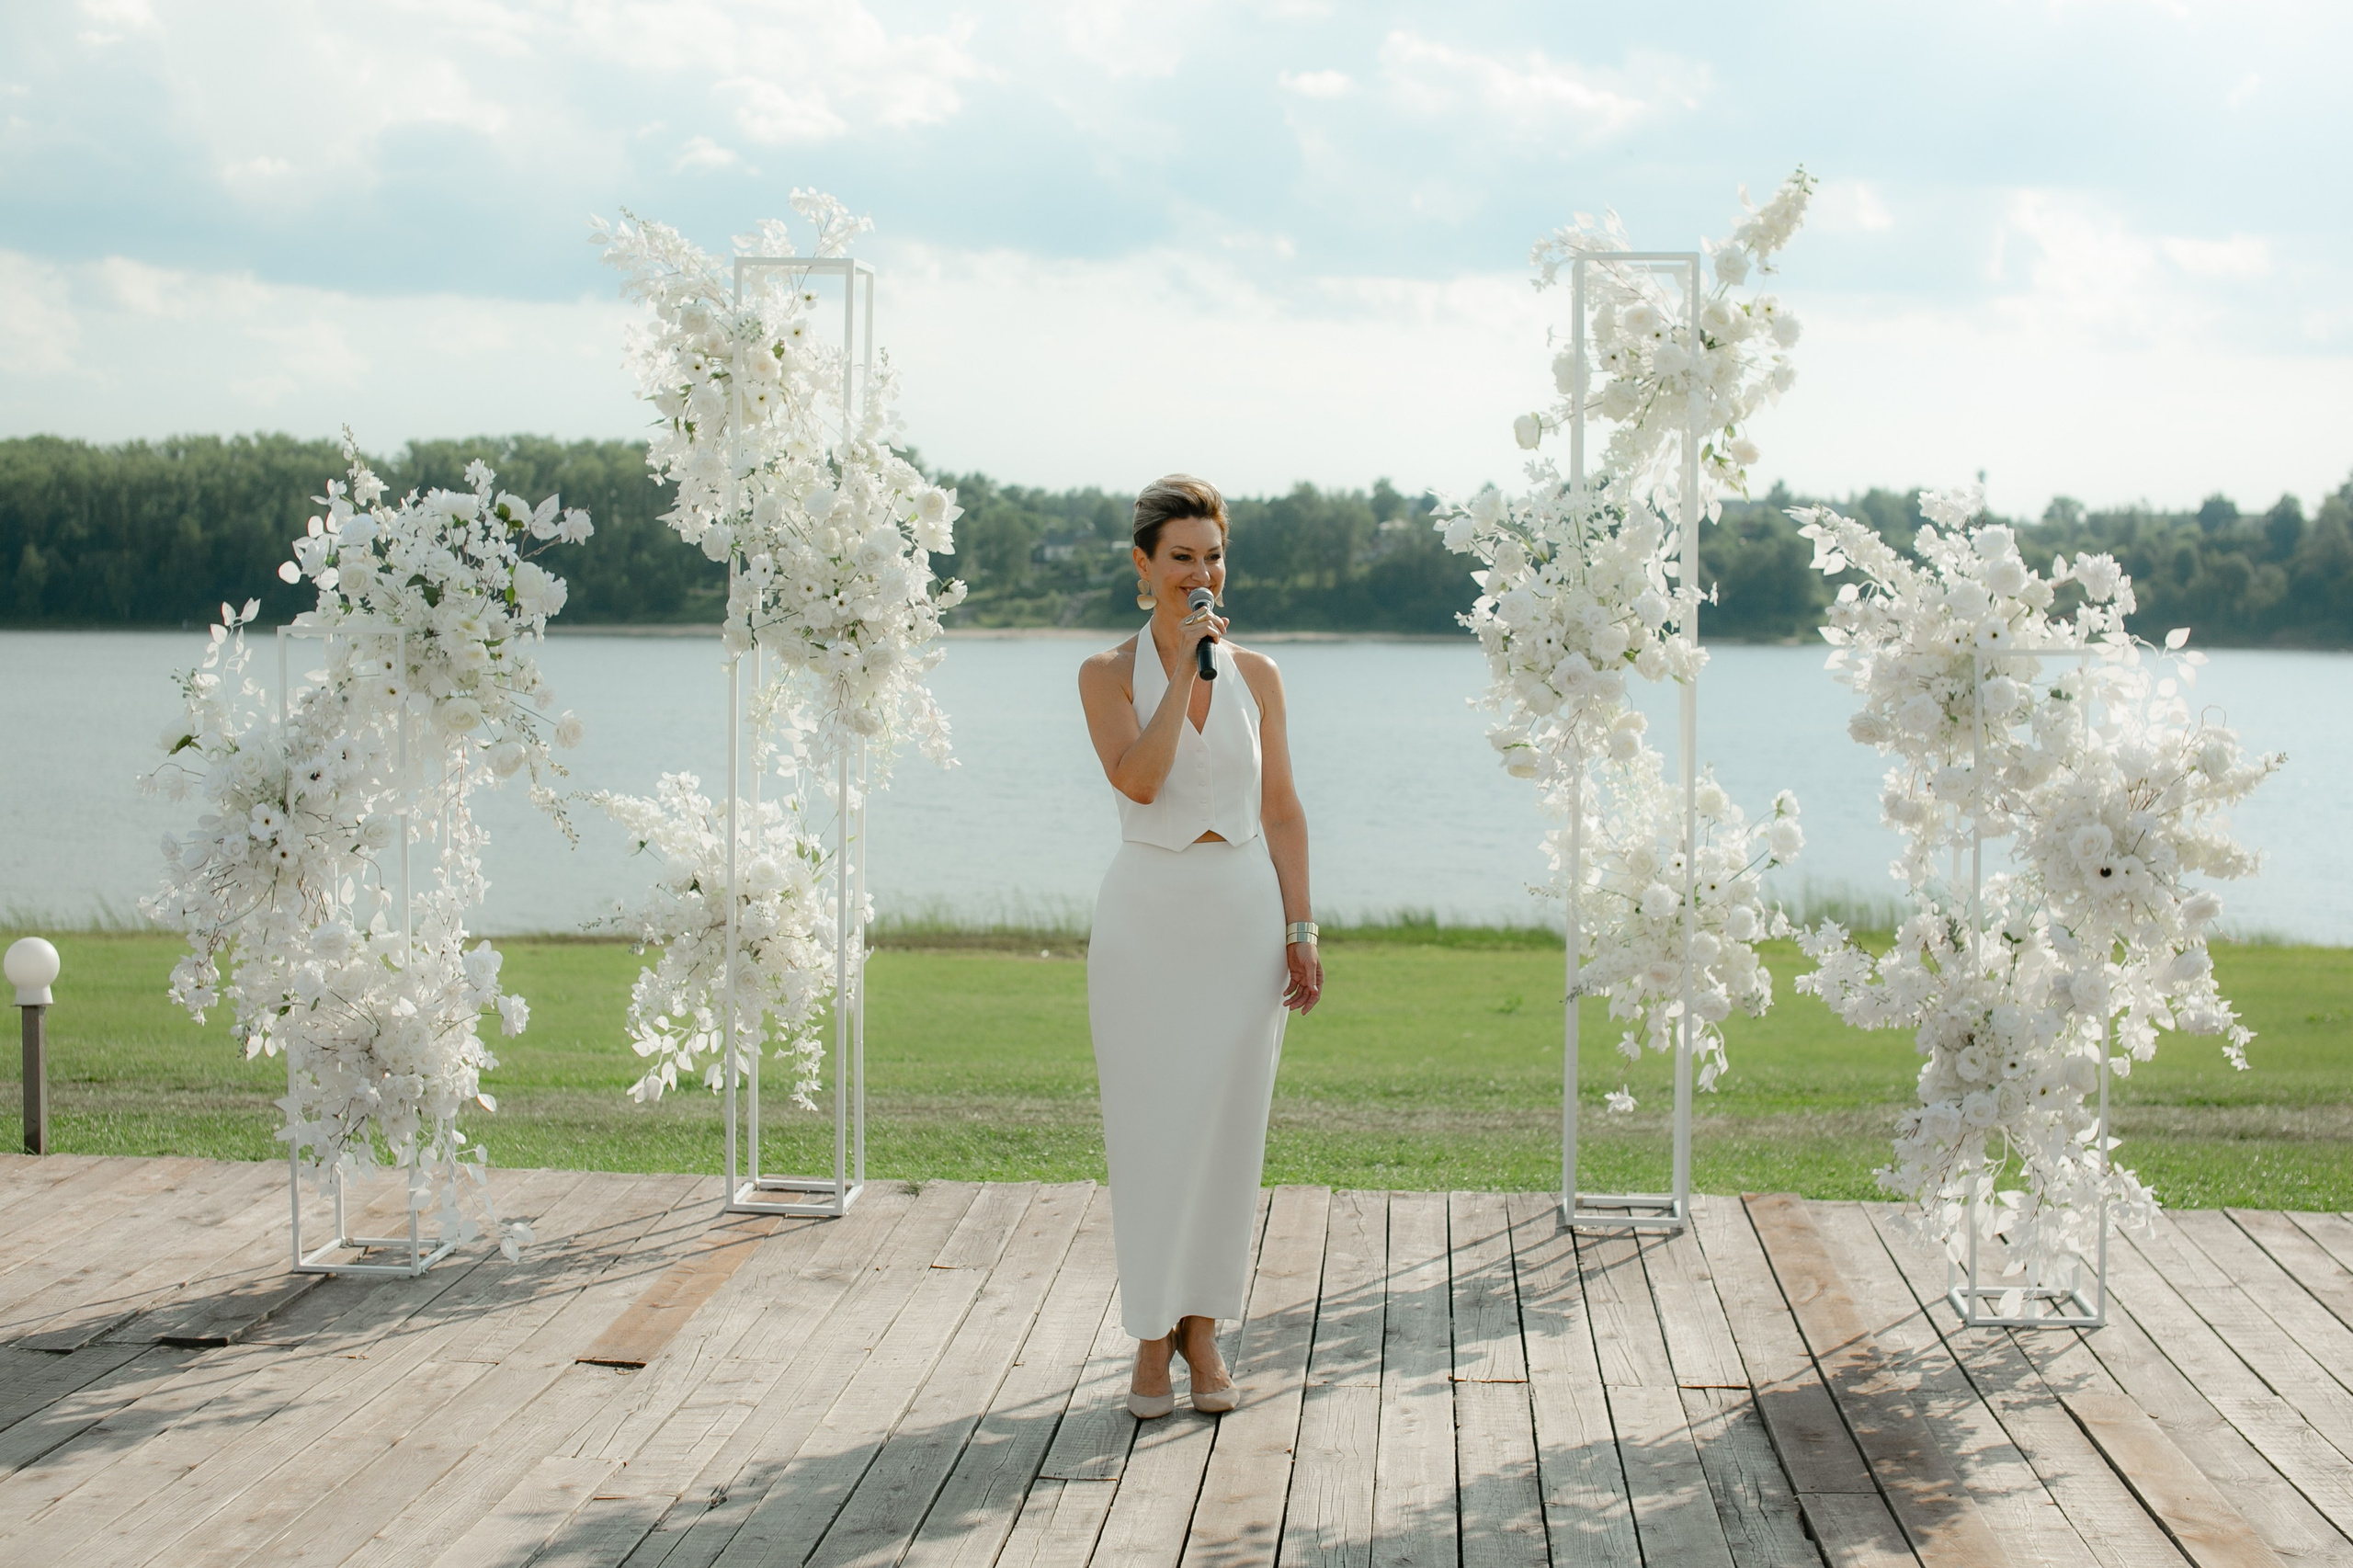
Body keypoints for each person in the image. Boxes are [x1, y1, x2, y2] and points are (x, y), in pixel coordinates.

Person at [1076, 473, 1324, 1419]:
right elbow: (1138, 782)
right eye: (1181, 557)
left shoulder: (1259, 675)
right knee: (1148, 1131)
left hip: (1241, 920)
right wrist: (1181, 665)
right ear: (1144, 567)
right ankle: (1149, 1334)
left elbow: (1285, 810)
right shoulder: (1104, 674)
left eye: (1212, 555)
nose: (1201, 572)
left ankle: (1207, 1327)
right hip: (1145, 920)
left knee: (1227, 1136)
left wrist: (1301, 925)